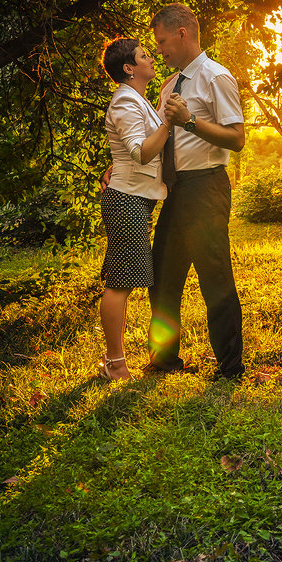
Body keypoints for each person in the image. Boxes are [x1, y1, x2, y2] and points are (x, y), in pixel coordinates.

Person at [102, 3, 246, 379]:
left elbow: (237, 138)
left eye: (162, 41)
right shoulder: (168, 85)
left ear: (182, 34)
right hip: (174, 190)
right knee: (163, 277)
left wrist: (191, 121)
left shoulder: (216, 77)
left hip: (206, 187)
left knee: (215, 277)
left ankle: (230, 368)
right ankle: (164, 360)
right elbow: (155, 140)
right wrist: (119, 165)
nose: (160, 50)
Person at [98, 37, 173, 380]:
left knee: (123, 279)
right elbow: (140, 151)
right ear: (129, 68)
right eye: (144, 56)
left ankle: (115, 361)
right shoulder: (125, 102)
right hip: (126, 198)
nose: (152, 58)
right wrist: (170, 122)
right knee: (119, 283)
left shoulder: (136, 99)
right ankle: (115, 363)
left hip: (134, 196)